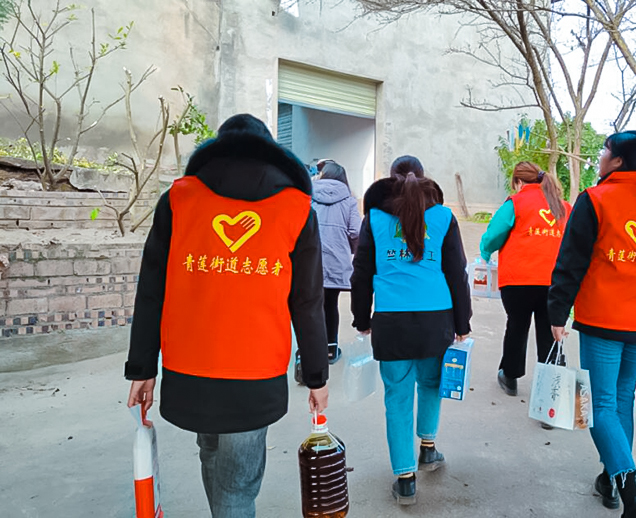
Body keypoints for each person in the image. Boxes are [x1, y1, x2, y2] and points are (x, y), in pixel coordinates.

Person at [124, 114, 330, 518]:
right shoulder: (296, 209)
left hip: (191, 369)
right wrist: (317, 376)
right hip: (256, 374)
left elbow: (151, 291)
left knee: (211, 453)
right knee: (237, 485)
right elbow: (308, 302)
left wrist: (142, 368)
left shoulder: (179, 200)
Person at [548, 130, 636, 518]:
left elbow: (571, 261)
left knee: (599, 405)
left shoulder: (594, 199)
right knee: (621, 398)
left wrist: (558, 313)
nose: (600, 157)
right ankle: (609, 478)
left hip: (602, 321)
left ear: (619, 160)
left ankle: (632, 494)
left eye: (605, 150)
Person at [350, 155, 471, 505]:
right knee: (431, 383)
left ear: (391, 180)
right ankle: (428, 448)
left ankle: (405, 479)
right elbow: (456, 272)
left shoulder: (374, 218)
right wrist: (462, 322)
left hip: (391, 321)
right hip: (436, 319)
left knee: (398, 397)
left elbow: (361, 274)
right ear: (423, 178)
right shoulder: (444, 217)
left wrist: (362, 319)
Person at [479, 162, 572, 407]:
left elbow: (494, 234)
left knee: (517, 326)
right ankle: (550, 397)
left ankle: (510, 378)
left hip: (518, 280)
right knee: (550, 334)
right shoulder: (564, 207)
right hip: (555, 283)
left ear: (519, 182)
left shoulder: (516, 203)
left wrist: (485, 252)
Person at [311, 161, 362, 365]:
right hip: (335, 260)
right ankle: (331, 350)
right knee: (331, 304)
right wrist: (350, 249)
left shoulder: (309, 196)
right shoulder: (349, 201)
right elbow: (356, 231)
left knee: (310, 305)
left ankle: (310, 350)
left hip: (310, 260)